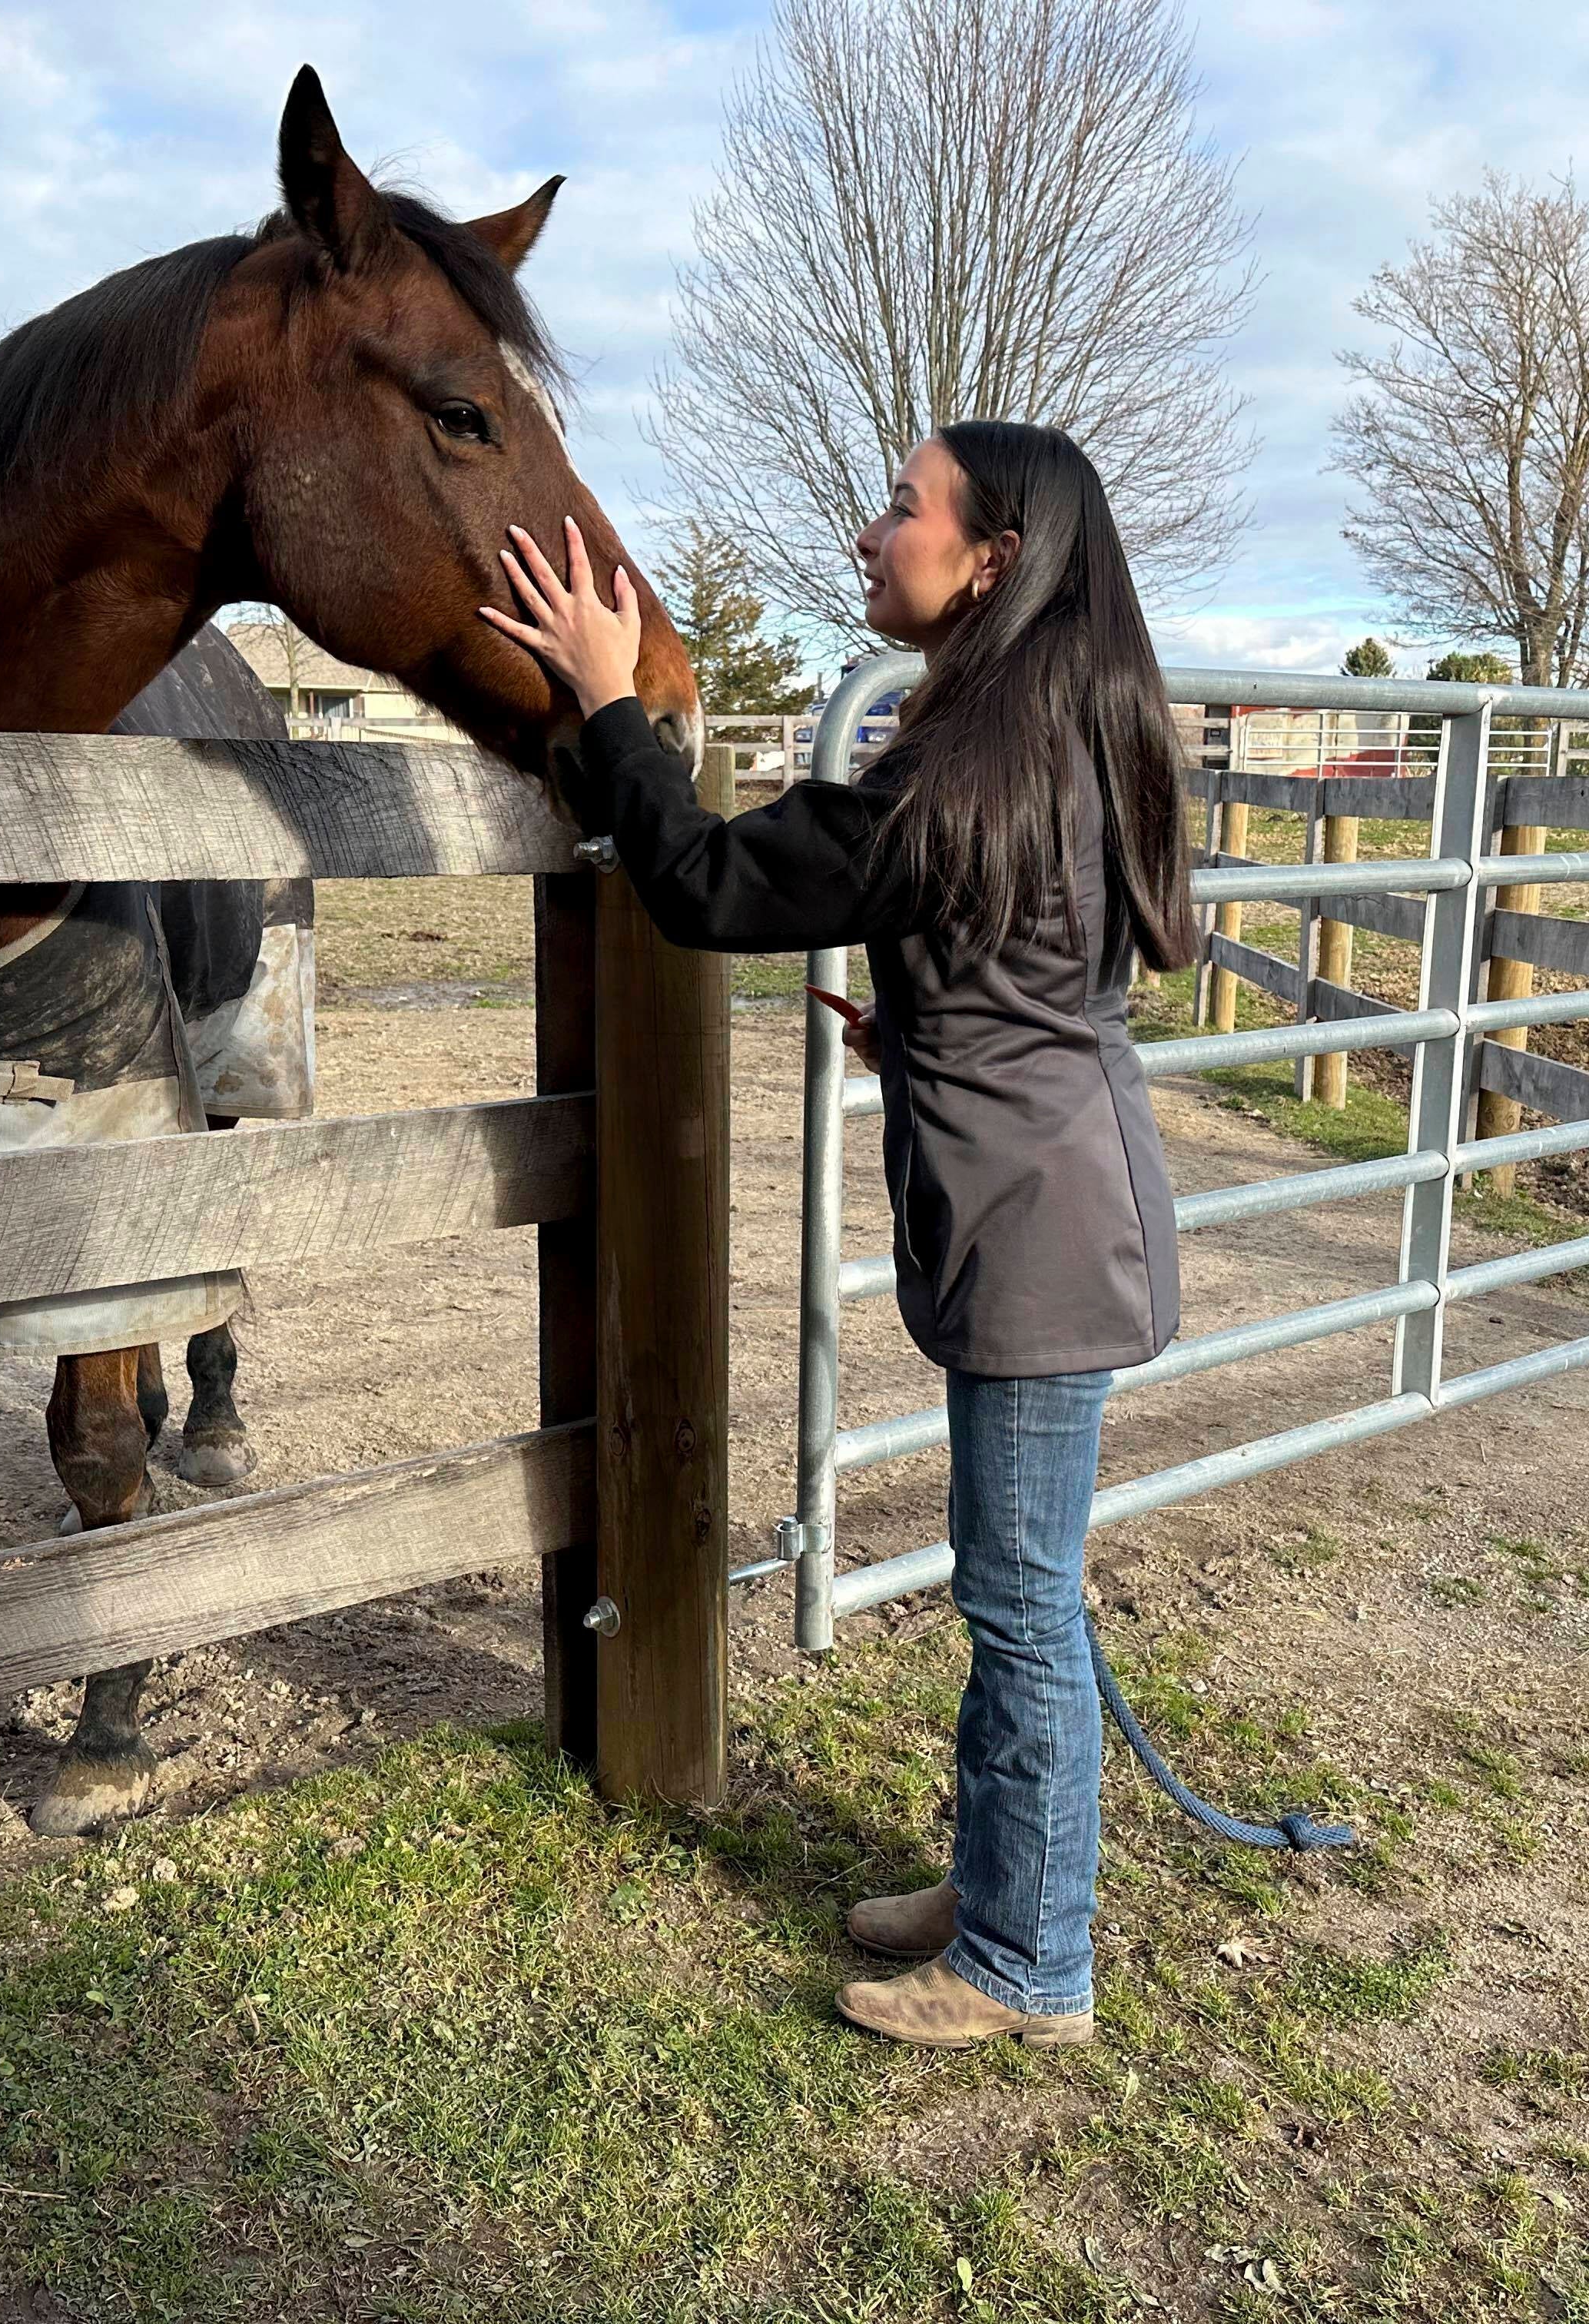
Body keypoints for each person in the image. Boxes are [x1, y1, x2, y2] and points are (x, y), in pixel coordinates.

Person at [481, 420, 1188, 2049]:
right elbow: (1036, 959)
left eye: (901, 507)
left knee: (1018, 1604)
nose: (871, 534)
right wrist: (928, 1021)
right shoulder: (1039, 732)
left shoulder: (971, 759)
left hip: (1042, 1236)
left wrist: (605, 696)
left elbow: (714, 885)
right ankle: (1011, 1882)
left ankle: (1029, 1964)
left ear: (991, 558)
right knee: (1024, 1590)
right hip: (1053, 1201)